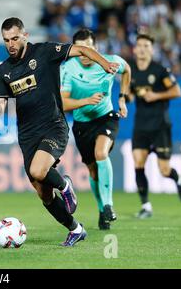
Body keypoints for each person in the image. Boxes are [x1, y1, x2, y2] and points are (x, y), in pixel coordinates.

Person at [0, 17, 120, 246]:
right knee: (43, 192)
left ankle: (65, 186)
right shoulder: (4, 70)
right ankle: (75, 228)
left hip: (53, 126)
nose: (11, 44)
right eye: (6, 40)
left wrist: (104, 63)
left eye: (15, 38)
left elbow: (82, 49)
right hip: (27, 135)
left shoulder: (45, 52)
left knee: (39, 170)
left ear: (25, 36)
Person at [60, 28, 131, 230]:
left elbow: (127, 71)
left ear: (96, 48)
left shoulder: (110, 61)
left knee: (101, 153)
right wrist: (85, 101)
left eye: (88, 48)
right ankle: (102, 210)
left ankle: (109, 205)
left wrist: (122, 98)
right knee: (93, 172)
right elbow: (63, 104)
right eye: (80, 50)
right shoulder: (68, 69)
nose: (85, 54)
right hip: (82, 125)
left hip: (106, 117)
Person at [129, 33, 181, 219]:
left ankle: (179, 180)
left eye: (147, 46)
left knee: (164, 170)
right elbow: (129, 94)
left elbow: (177, 91)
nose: (143, 49)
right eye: (140, 45)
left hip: (160, 126)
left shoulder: (161, 70)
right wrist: (125, 98)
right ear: (135, 49)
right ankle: (146, 206)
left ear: (152, 50)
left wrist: (156, 96)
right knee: (138, 164)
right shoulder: (131, 72)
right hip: (141, 126)